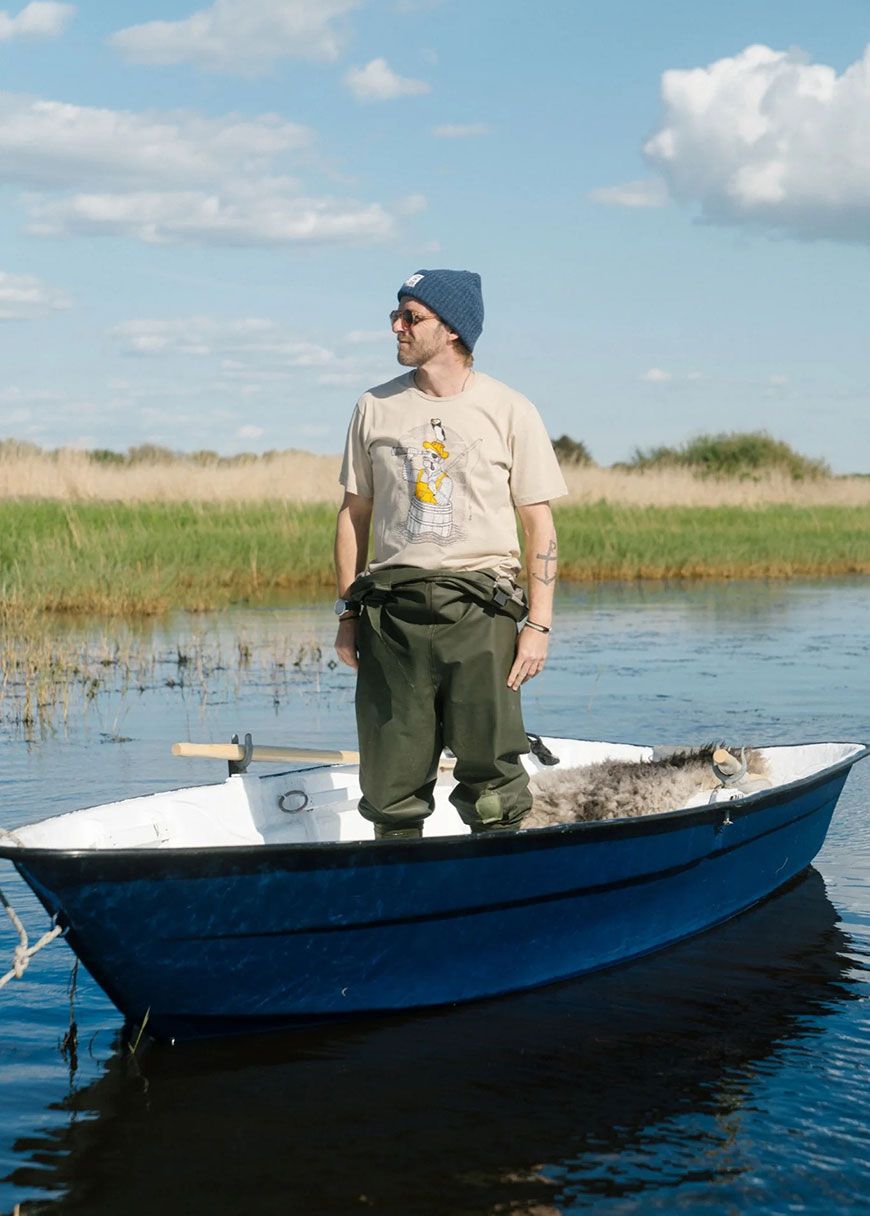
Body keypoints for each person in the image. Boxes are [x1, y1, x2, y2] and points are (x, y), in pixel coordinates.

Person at [333, 268, 567, 839]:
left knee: (493, 779)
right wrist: (347, 613)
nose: (397, 327)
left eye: (412, 317)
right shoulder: (374, 407)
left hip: (481, 612)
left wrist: (538, 624)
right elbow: (352, 515)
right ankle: (400, 902)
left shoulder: (510, 409)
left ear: (453, 329)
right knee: (390, 780)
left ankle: (499, 893)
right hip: (391, 616)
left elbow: (539, 524)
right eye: (397, 315)